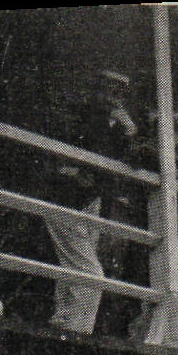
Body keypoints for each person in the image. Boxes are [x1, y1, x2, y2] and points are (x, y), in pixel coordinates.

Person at [44, 70, 139, 335]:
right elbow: (59, 157)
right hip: (65, 200)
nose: (114, 99)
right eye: (109, 91)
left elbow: (126, 163)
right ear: (97, 92)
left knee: (73, 270)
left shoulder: (113, 127)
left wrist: (129, 131)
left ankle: (63, 322)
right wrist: (74, 171)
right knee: (90, 275)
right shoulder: (82, 118)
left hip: (89, 202)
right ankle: (78, 332)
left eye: (119, 93)